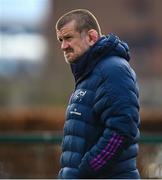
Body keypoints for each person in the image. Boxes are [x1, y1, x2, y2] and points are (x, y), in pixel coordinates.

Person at [55, 9, 140, 179]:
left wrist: (87, 170)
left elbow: (122, 129)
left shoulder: (113, 70)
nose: (63, 46)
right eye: (61, 40)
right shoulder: (89, 73)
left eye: (69, 38)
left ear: (92, 37)